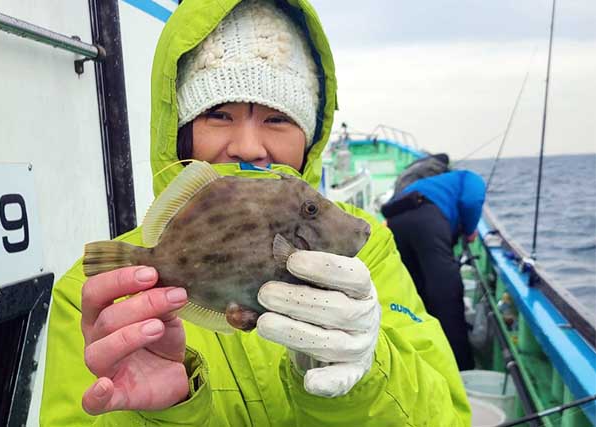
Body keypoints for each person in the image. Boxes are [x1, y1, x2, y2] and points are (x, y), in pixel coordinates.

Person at [40, 0, 471, 425]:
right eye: (219, 113)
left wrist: (365, 370)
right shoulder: (95, 291)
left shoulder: (371, 251)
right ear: (180, 130)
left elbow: (448, 417)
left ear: (309, 135)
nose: (248, 146)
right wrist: (154, 417)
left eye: (278, 118)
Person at [383, 170, 486, 371]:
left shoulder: (431, 184)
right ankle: (460, 367)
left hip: (395, 222)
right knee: (446, 295)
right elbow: (472, 200)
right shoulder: (470, 177)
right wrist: (470, 229)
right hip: (428, 221)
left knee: (413, 295)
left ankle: (418, 361)